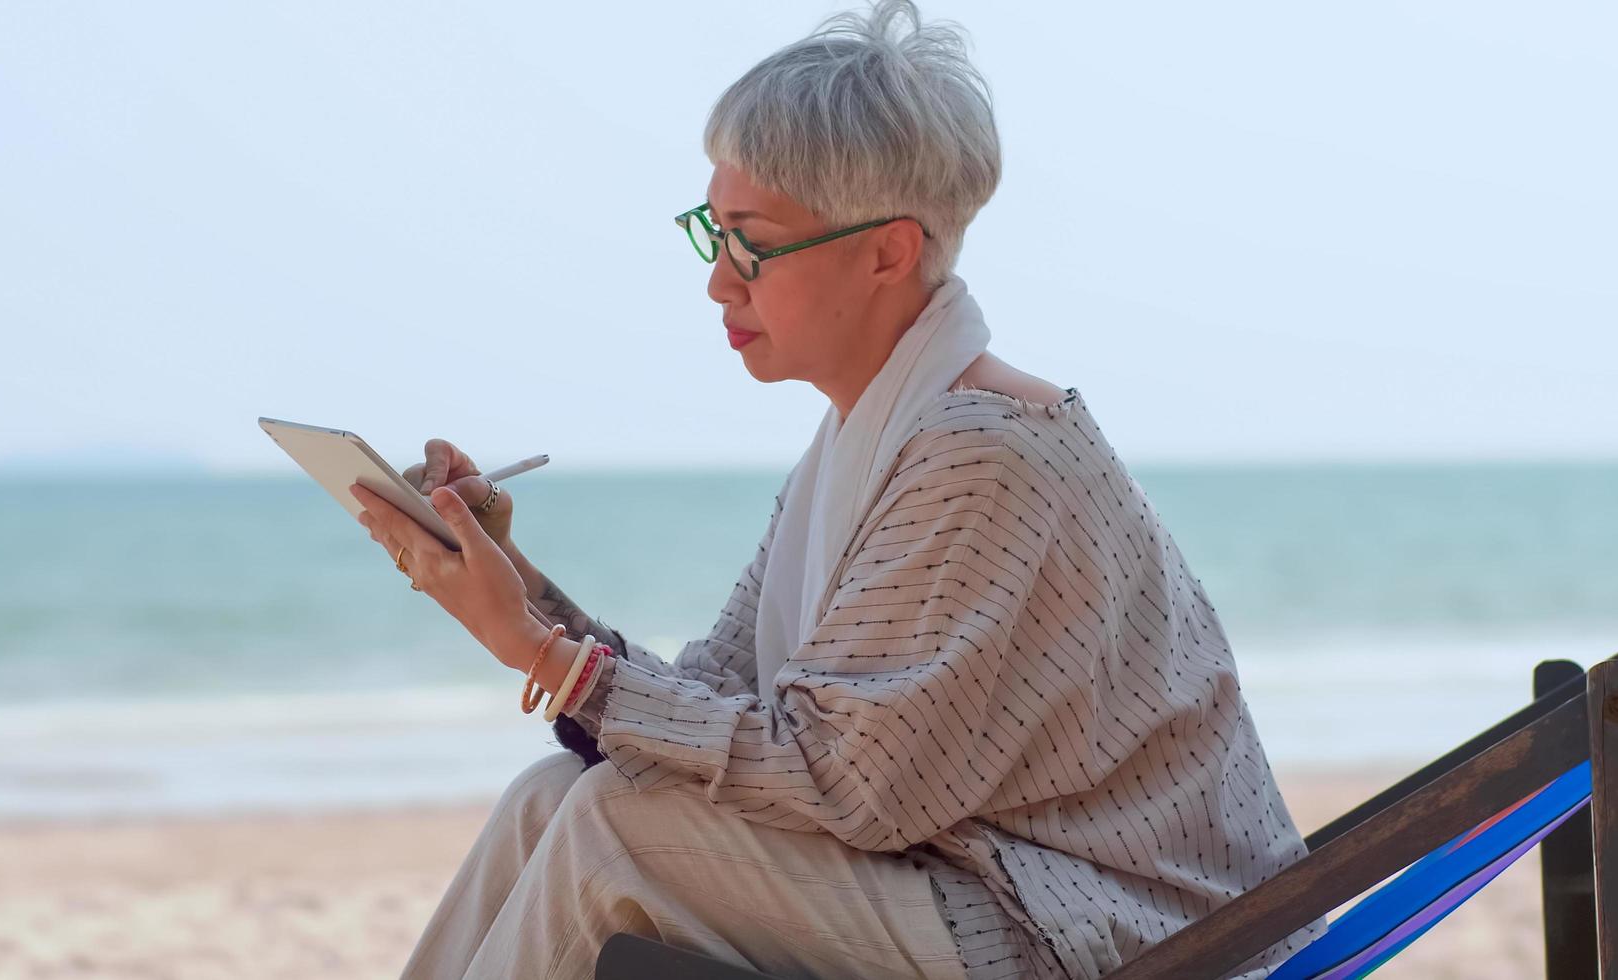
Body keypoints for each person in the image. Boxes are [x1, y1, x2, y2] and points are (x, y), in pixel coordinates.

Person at [351, 2, 1325, 977]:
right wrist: (516, 586)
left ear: (887, 252)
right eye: (712, 232)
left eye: (752, 242)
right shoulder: (877, 430)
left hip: (1104, 925)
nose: (719, 284)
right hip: (980, 884)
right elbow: (714, 700)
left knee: (614, 827)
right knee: (550, 792)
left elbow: (844, 787)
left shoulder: (981, 455)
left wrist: (537, 651)